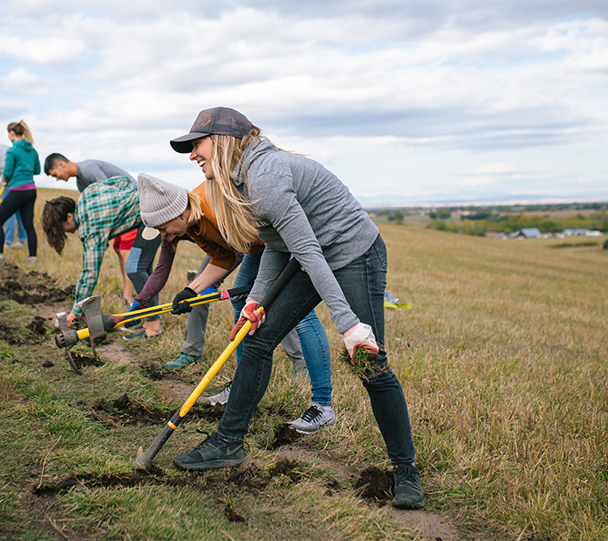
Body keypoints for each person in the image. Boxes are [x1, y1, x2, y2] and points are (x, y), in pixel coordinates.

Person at [167, 106, 424, 510]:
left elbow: (307, 249)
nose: (192, 155)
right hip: (313, 255)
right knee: (255, 339)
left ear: (220, 142)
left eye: (196, 145)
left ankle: (406, 471)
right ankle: (227, 442)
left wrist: (349, 327)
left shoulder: (265, 175)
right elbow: (277, 243)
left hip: (355, 252)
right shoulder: (241, 180)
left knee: (370, 361)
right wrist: (256, 301)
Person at [136, 173, 339, 434]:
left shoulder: (217, 206)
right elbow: (223, 258)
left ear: (179, 214)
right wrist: (191, 290)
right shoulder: (193, 226)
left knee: (303, 314)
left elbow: (273, 232)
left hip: (289, 237)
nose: (165, 236)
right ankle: (241, 385)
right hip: (260, 247)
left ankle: (323, 407)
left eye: (163, 228)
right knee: (242, 300)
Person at [41, 176, 159, 327]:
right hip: (151, 200)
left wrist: (75, 311)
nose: (64, 233)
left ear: (69, 216)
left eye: (61, 228)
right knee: (143, 270)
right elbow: (122, 180)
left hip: (153, 213)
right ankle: (150, 322)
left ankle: (153, 326)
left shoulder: (90, 227)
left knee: (135, 269)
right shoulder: (87, 193)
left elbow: (90, 273)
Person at [44, 153, 142, 304]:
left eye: (55, 174)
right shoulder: (80, 183)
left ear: (61, 164)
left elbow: (108, 198)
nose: (57, 179)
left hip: (130, 204)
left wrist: (99, 235)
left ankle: (128, 296)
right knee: (119, 249)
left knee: (126, 251)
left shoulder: (87, 169)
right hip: (119, 212)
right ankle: (129, 294)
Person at [0, 121, 40, 265]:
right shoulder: (32, 150)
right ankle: (32, 257)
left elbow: (7, 172)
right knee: (28, 224)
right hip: (31, 190)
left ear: (12, 133)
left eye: (8, 134)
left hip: (17, 190)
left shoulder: (12, 150)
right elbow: (37, 170)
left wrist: (5, 179)